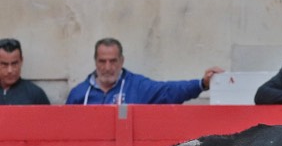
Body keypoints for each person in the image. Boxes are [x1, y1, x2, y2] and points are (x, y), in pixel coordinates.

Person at [66, 38, 222, 105]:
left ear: (122, 61)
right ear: (95, 61)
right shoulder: (78, 94)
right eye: (102, 61)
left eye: (113, 61)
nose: (107, 67)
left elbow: (169, 91)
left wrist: (202, 84)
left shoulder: (137, 87)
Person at [0, 38, 50, 105]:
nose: (10, 70)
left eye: (14, 64)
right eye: (4, 64)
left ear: (21, 61)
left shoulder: (35, 94)